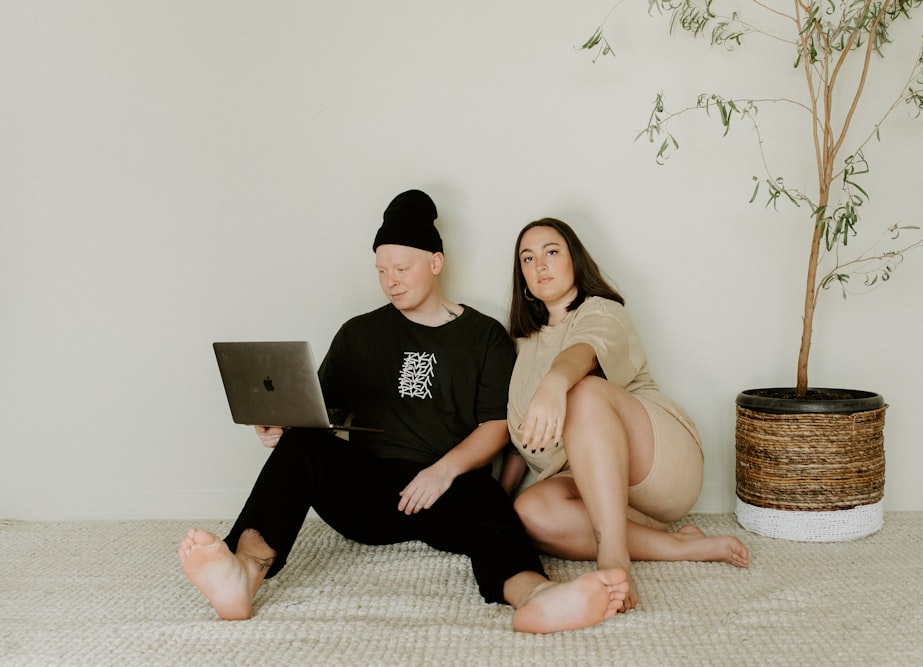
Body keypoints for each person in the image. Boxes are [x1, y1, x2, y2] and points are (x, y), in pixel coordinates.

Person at [178, 191, 630, 634]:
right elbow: (316, 411)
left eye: (401, 268)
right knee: (302, 442)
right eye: (381, 271)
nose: (390, 280)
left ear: (435, 263)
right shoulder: (358, 334)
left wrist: (443, 472)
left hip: (447, 490)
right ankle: (244, 572)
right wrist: (281, 423)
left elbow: (496, 426)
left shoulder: (485, 336)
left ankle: (534, 596)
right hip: (368, 494)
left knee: (487, 498)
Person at [503, 217, 750, 613]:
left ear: (575, 260)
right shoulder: (522, 344)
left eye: (551, 252)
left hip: (658, 464)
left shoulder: (602, 311)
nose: (540, 265)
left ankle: (613, 559)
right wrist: (500, 497)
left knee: (581, 392)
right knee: (528, 512)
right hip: (593, 486)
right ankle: (679, 546)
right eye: (527, 259)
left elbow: (581, 352)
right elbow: (518, 436)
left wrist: (554, 385)